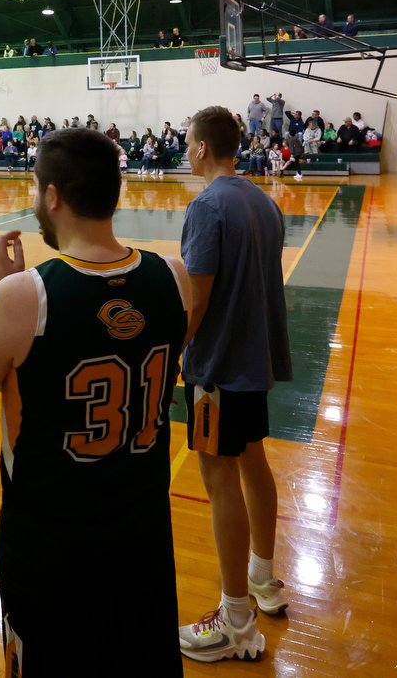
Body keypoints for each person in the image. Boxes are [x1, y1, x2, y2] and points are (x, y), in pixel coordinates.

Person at [0, 128, 188, 674]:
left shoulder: (25, 294)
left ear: (53, 196)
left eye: (37, 188)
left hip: (51, 547)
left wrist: (0, 294)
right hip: (144, 537)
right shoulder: (174, 276)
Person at [176, 106, 292, 663]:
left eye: (187, 143)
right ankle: (263, 580)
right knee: (253, 462)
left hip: (217, 370)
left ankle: (236, 622)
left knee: (220, 479)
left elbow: (196, 301)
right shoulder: (264, 202)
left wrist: (172, 354)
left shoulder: (207, 205)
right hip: (254, 360)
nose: (185, 150)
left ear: (202, 148)